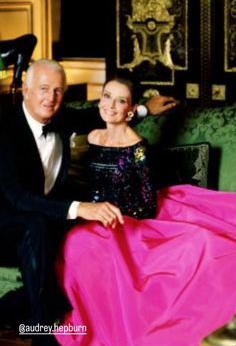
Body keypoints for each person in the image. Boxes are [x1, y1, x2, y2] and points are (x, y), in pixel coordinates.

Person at [0, 59, 176, 345]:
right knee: (38, 226)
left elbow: (107, 116)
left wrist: (144, 108)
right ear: (25, 89)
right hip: (7, 223)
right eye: (43, 89)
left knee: (76, 248)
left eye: (58, 91)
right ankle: (42, 335)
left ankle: (11, 309)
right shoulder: (5, 130)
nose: (51, 98)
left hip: (50, 219)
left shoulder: (60, 117)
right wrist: (80, 207)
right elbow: (17, 197)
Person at [55, 72, 236, 346]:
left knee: (201, 248)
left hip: (124, 222)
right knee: (76, 243)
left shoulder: (137, 148)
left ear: (130, 109)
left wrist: (110, 210)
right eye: (106, 97)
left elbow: (146, 204)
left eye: (120, 101)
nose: (110, 106)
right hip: (87, 218)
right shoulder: (86, 136)